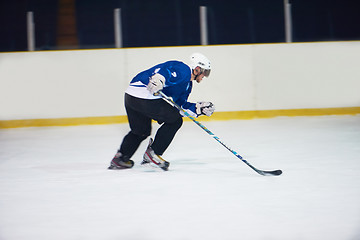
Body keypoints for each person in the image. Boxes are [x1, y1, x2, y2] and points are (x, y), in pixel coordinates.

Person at [108, 53, 215, 171]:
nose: (205, 76)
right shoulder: (183, 69)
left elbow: (180, 107)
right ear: (197, 69)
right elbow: (166, 69)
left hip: (131, 97)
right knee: (175, 121)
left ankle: (120, 158)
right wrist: (159, 78)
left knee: (141, 131)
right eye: (205, 72)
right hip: (144, 94)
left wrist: (198, 108)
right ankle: (153, 153)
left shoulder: (187, 85)